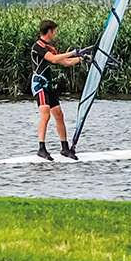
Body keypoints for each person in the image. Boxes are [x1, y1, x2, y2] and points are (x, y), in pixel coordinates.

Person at [30, 19, 86, 161]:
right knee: (46, 114)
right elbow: (54, 59)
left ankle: (65, 148)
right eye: (54, 31)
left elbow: (65, 62)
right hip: (39, 85)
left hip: (48, 85)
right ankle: (41, 149)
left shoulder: (51, 48)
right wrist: (73, 51)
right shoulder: (38, 47)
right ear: (49, 31)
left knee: (59, 115)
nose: (55, 34)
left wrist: (81, 58)